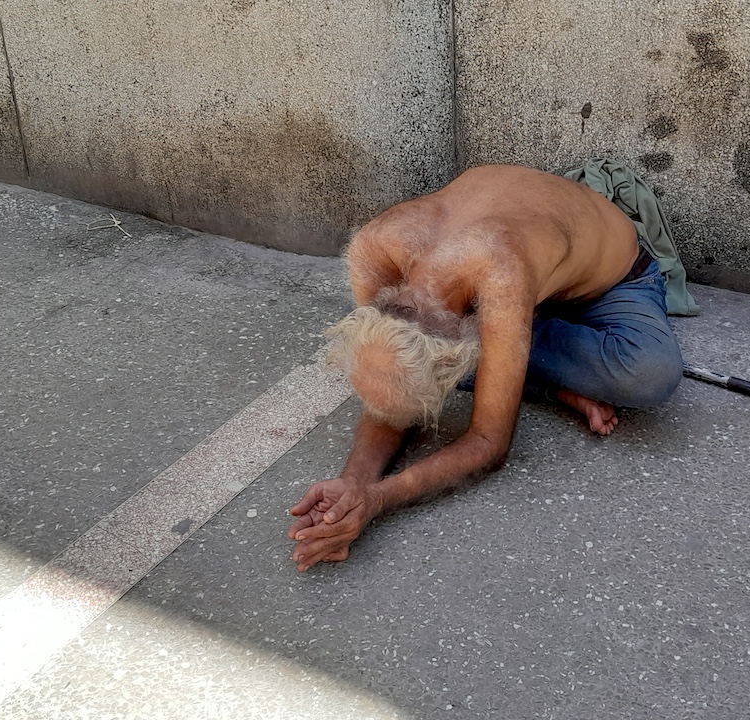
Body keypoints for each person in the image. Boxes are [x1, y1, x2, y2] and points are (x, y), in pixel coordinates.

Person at [288, 163, 687, 571]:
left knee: (649, 372)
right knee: (404, 376)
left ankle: (508, 357)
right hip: (516, 280)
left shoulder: (498, 269)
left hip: (608, 280)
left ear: (458, 354)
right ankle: (517, 361)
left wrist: (378, 498)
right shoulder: (373, 248)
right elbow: (389, 389)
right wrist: (352, 482)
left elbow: (489, 443)